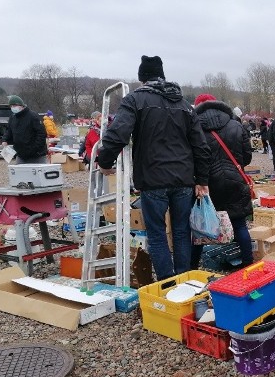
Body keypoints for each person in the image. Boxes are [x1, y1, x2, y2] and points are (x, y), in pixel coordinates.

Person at [97, 55, 211, 281]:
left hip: (152, 179)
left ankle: (167, 283)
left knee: (157, 234)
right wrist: (202, 180)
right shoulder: (184, 105)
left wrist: (105, 161)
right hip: (183, 179)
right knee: (181, 232)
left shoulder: (135, 100)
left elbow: (117, 134)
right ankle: (183, 279)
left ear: (142, 78)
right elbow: (201, 146)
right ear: (162, 75)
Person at [191, 93, 253, 269]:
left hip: (207, 183)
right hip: (235, 179)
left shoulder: (195, 127)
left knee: (199, 225)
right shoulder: (235, 124)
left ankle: (192, 266)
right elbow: (247, 156)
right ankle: (248, 264)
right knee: (240, 224)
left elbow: (192, 157)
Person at [2, 95, 47, 164]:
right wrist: (5, 140)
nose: (13, 108)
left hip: (37, 155)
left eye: (14, 105)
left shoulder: (33, 116)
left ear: (21, 105)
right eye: (11, 106)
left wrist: (34, 149)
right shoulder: (12, 118)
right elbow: (9, 131)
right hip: (21, 155)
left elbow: (41, 134)